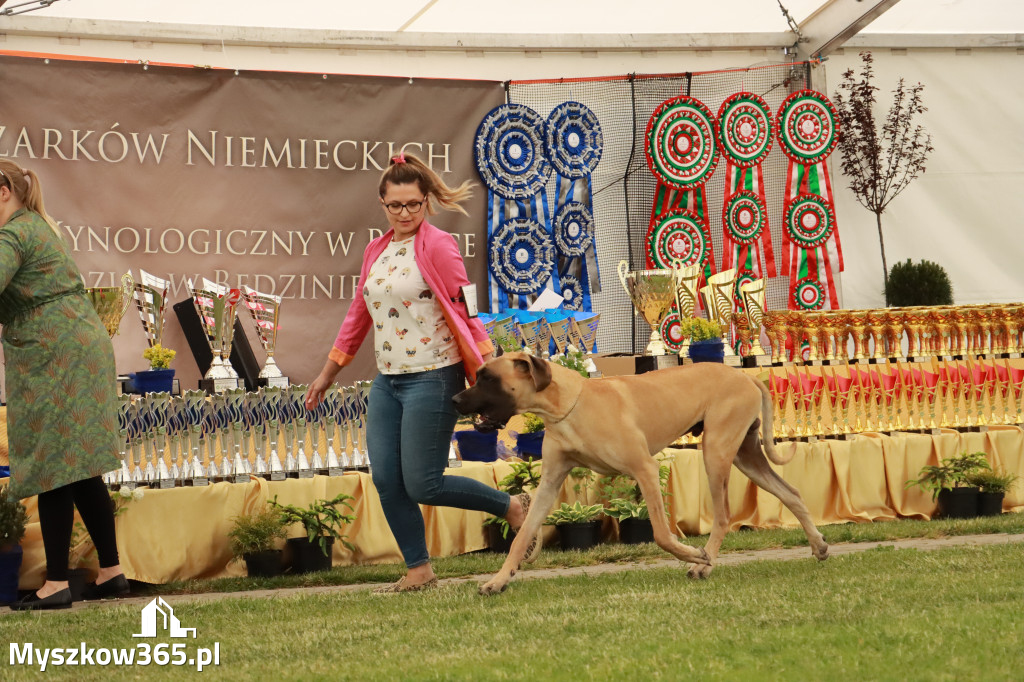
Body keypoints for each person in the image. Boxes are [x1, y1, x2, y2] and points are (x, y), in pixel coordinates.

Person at [305, 153, 536, 593]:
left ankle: (512, 507)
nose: (405, 213)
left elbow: (464, 311)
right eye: (396, 205)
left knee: (424, 483)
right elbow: (359, 313)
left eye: (414, 204)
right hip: (388, 381)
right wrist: (327, 373)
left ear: (426, 201)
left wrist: (490, 368)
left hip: (434, 376)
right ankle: (419, 571)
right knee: (387, 480)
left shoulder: (439, 245)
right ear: (383, 204)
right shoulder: (376, 249)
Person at [0, 161, 129, 610]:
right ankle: (111, 572)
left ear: (2, 192)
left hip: (55, 350)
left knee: (56, 461)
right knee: (78, 464)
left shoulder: (15, 233)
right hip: (78, 343)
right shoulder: (38, 225)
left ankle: (56, 583)